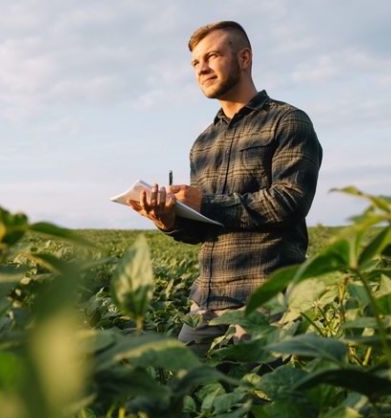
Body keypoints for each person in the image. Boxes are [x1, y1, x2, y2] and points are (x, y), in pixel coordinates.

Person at [128, 21, 323, 353]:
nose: (201, 68)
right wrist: (169, 220)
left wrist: (204, 202)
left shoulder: (287, 121)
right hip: (205, 303)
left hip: (267, 301)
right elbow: (205, 230)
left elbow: (290, 201)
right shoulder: (203, 143)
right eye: (195, 63)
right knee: (184, 396)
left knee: (257, 399)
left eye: (212, 56)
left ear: (244, 58)